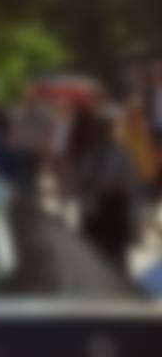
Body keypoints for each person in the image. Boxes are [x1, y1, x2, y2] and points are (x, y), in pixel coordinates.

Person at [66, 108, 139, 272]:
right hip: (102, 210)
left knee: (107, 254)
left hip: (105, 209)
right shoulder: (92, 154)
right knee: (105, 254)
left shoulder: (99, 154)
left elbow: (129, 181)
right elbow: (130, 181)